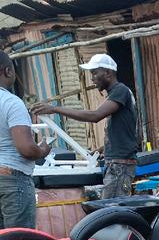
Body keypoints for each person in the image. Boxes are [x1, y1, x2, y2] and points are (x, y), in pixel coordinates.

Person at [32, 54, 138, 199]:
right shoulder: (116, 94)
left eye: (95, 73)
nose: (92, 78)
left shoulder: (120, 91)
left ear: (107, 73)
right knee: (111, 209)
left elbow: (95, 116)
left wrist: (55, 109)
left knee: (112, 209)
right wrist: (102, 149)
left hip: (120, 165)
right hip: (116, 163)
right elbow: (124, 130)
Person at [0, 51, 51, 240]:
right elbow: (26, 149)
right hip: (12, 179)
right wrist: (43, 149)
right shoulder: (11, 102)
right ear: (8, 71)